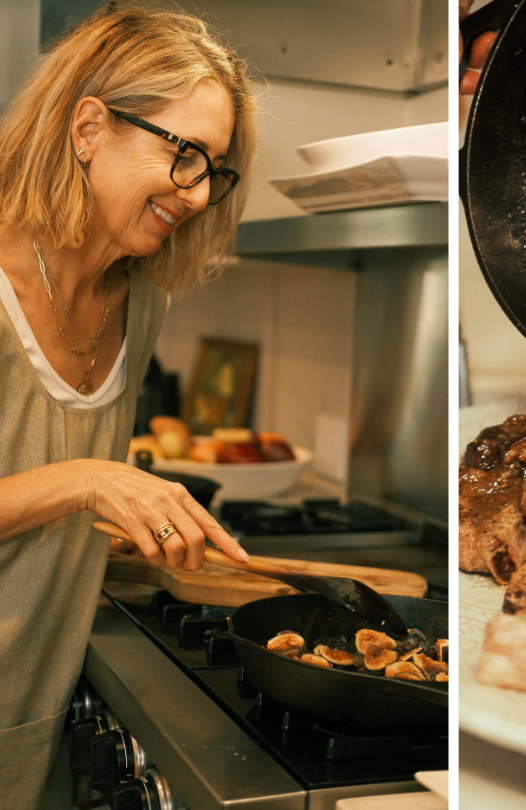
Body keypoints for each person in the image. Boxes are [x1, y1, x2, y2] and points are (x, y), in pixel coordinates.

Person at [0, 6, 255, 805]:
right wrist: (88, 483)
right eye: (183, 153)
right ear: (87, 128)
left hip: (29, 711)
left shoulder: (137, 303)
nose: (197, 191)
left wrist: (138, 525)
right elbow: (68, 481)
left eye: (214, 167)